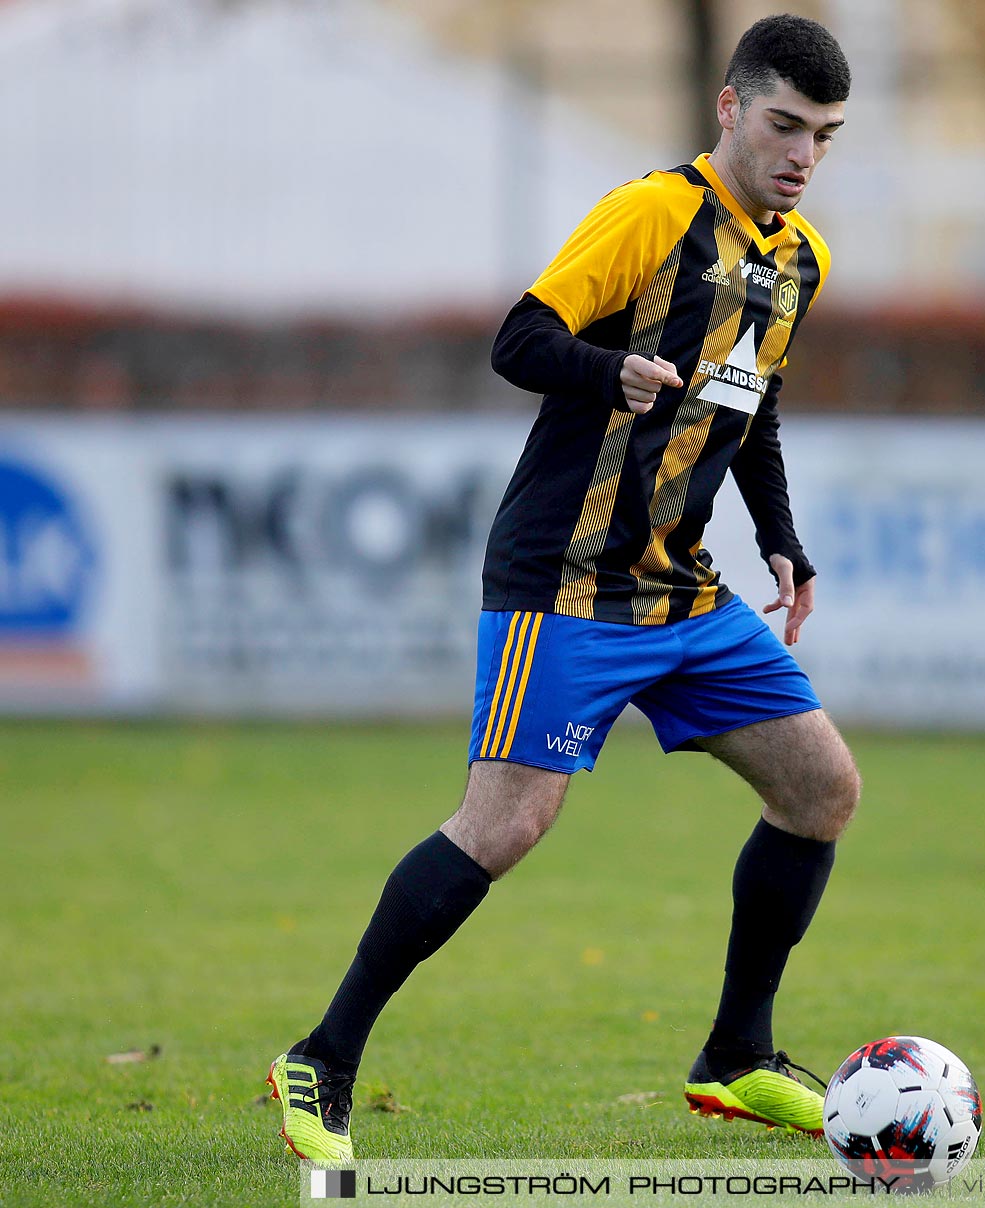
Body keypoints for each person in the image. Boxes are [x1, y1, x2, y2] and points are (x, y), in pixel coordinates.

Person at [266, 14, 855, 1161]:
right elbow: (518, 339)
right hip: (567, 582)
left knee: (822, 787)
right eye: (785, 125)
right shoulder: (653, 211)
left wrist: (781, 535)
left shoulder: (802, 259)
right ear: (731, 108)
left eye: (825, 136)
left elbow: (753, 401)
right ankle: (321, 1057)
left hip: (683, 588)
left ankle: (735, 1052)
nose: (802, 154)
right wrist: (610, 369)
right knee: (504, 822)